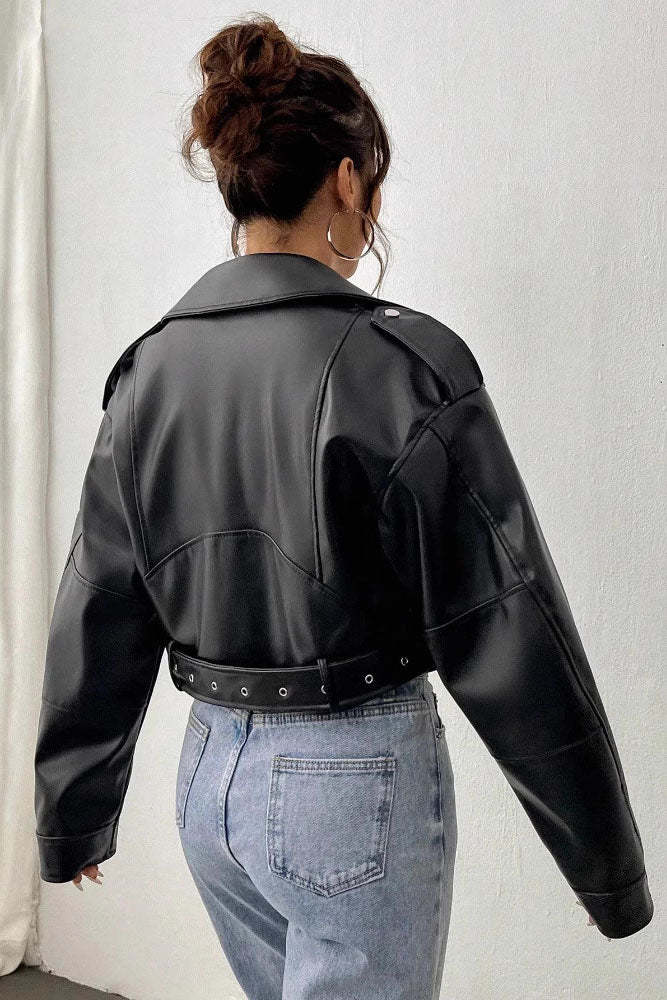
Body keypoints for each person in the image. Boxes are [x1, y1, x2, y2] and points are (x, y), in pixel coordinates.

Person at [34, 14, 653, 1000]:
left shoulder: (150, 370)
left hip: (209, 784)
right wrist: (604, 864)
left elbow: (99, 600)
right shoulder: (402, 365)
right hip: (347, 787)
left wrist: (73, 810)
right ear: (349, 182)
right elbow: (507, 625)